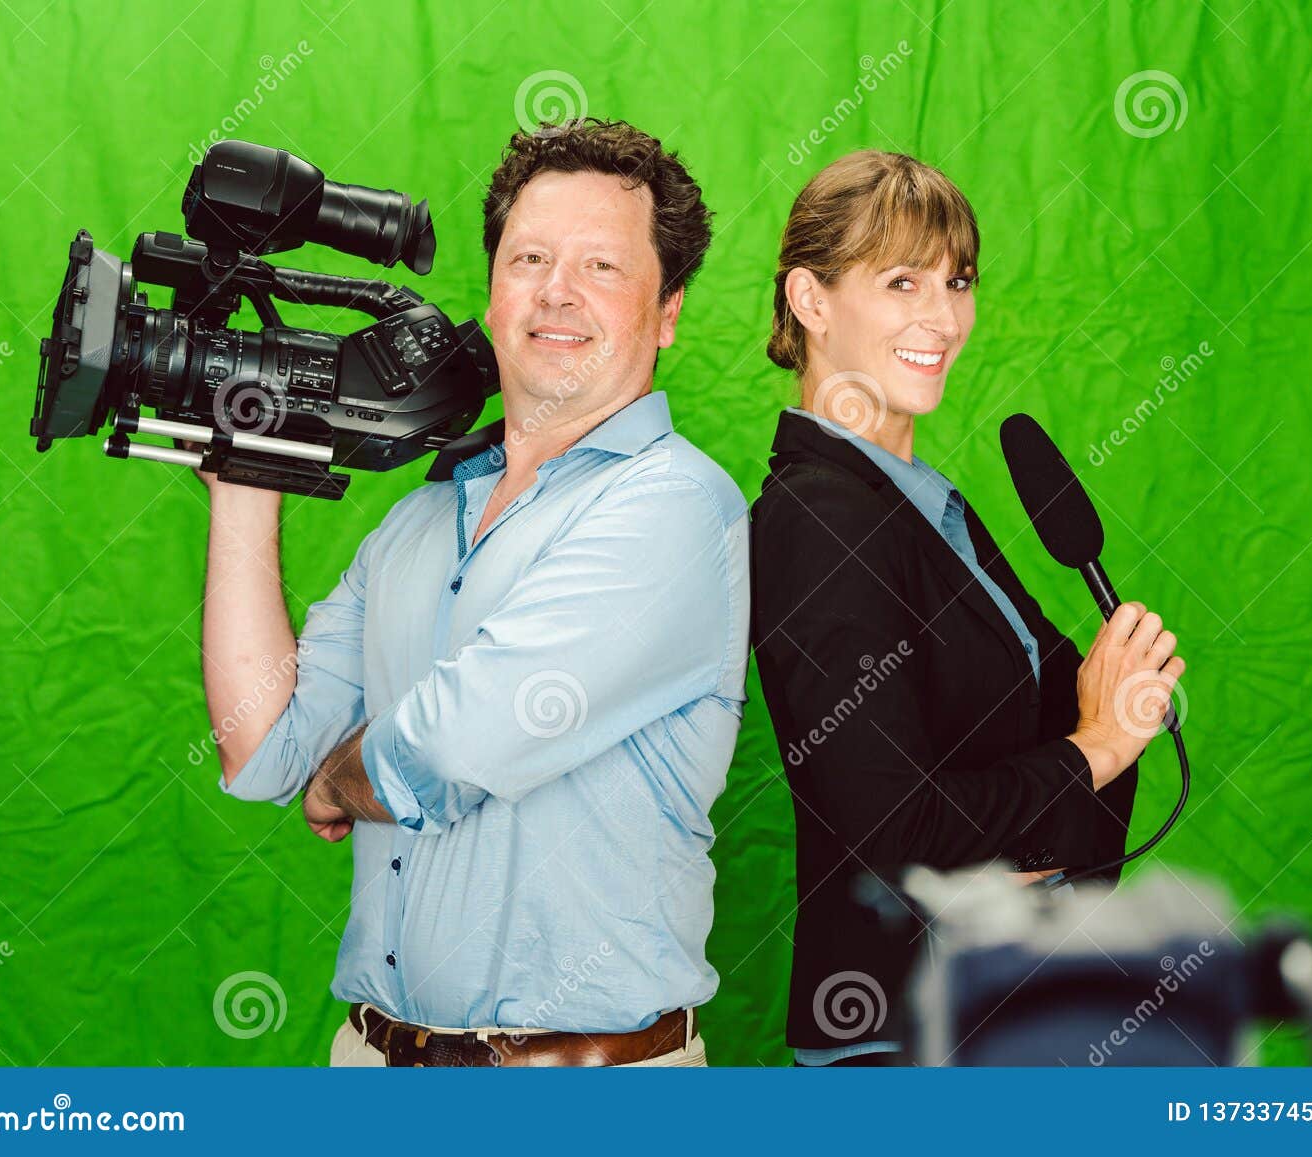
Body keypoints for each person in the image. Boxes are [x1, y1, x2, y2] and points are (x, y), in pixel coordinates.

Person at [195, 118, 747, 1067]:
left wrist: (342, 777)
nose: (557, 291)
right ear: (493, 295)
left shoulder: (678, 507)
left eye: (602, 268)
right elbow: (264, 747)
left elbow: (449, 747)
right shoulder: (414, 523)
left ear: (667, 312)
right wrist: (247, 492)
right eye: (530, 257)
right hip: (371, 1061)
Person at [749, 150, 1186, 1067]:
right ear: (811, 300)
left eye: (958, 281)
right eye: (901, 280)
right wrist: (1095, 747)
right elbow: (894, 830)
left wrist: (1067, 781)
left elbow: (1036, 779)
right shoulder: (815, 518)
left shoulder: (929, 506)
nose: (942, 317)